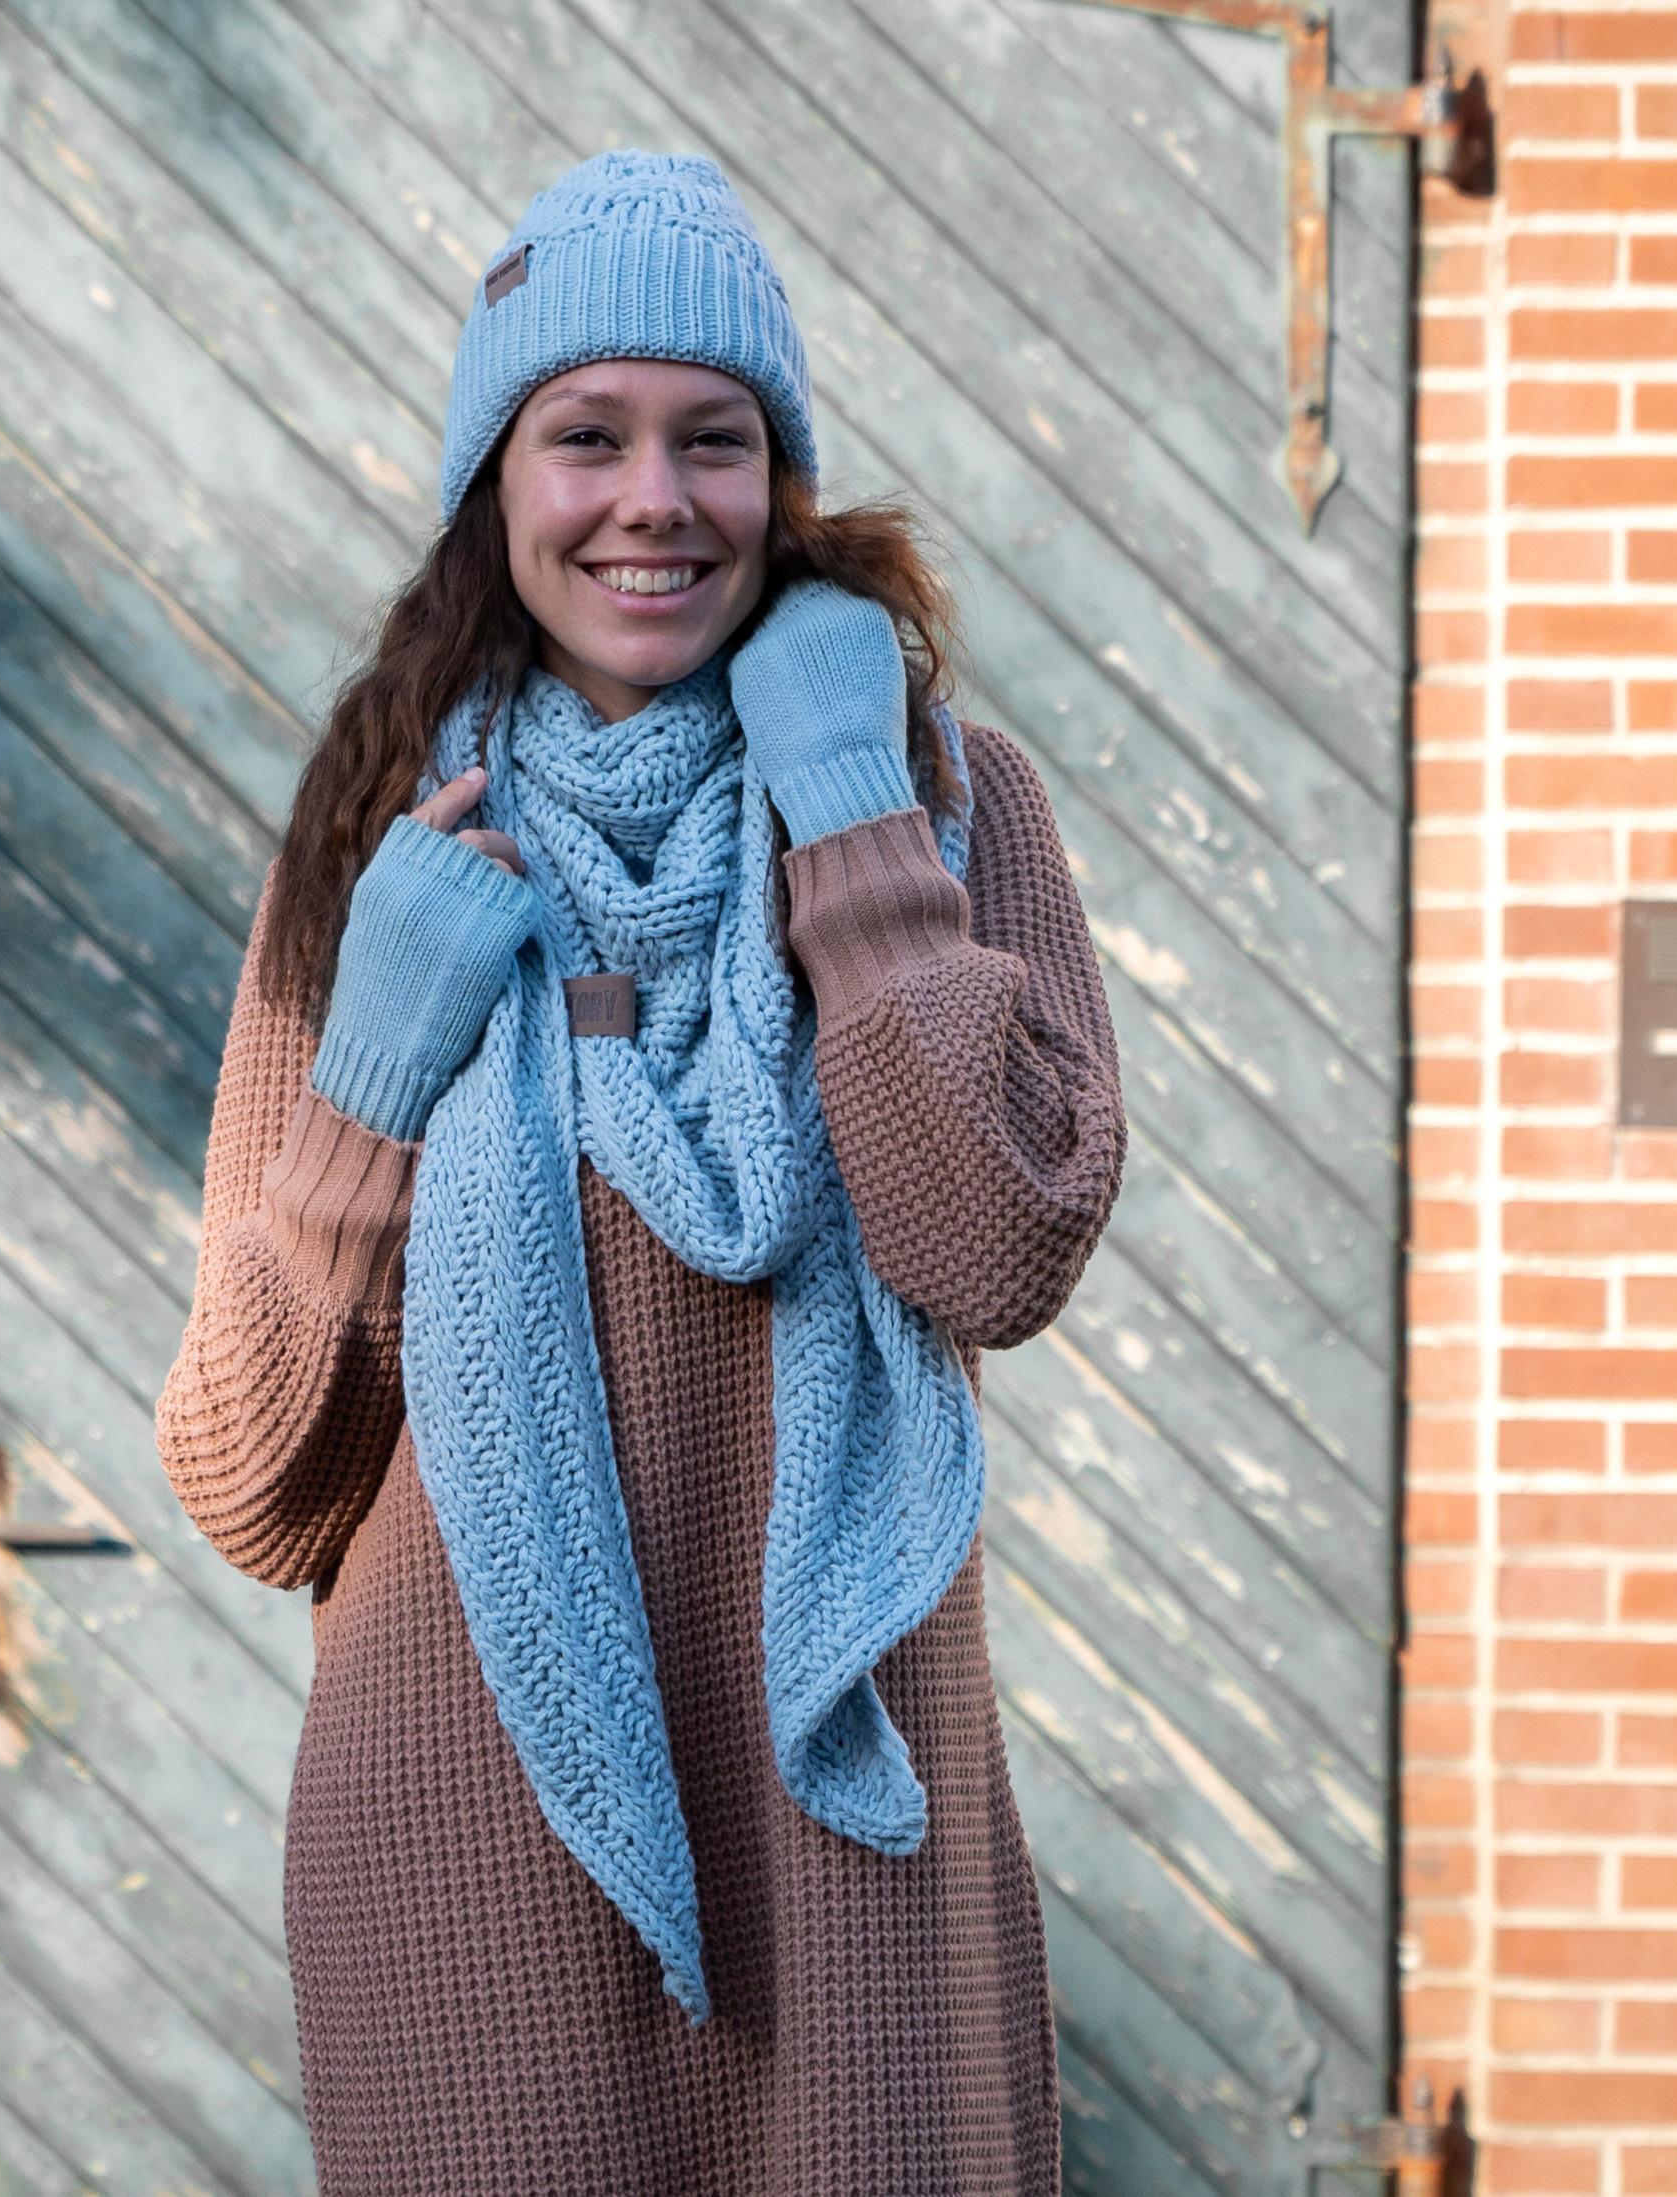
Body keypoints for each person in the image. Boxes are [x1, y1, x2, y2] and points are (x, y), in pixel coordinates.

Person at [152, 149, 1126, 2195]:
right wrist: (374, 1074)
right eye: (585, 435)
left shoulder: (949, 800)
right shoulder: (379, 840)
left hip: (851, 1837)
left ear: (784, 480)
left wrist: (848, 804)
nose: (653, 498)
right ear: (492, 481)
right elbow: (256, 1485)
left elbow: (992, 1245)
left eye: (716, 438)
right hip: (470, 1866)